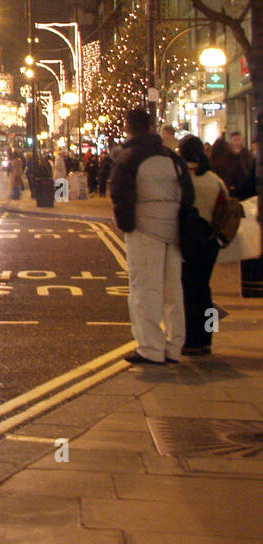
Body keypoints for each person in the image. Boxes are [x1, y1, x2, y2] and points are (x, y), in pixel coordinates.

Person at [109, 108, 192, 364]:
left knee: (145, 290)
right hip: (173, 232)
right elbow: (188, 193)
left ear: (127, 128)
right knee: (173, 292)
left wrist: (127, 225)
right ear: (151, 127)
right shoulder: (172, 157)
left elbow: (120, 196)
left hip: (144, 230)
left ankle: (150, 348)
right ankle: (174, 346)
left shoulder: (129, 158)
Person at [177, 135, 226, 357]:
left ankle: (191, 340)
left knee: (188, 291)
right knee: (204, 290)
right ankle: (208, 337)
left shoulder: (182, 179)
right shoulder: (214, 179)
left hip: (188, 240)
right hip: (210, 241)